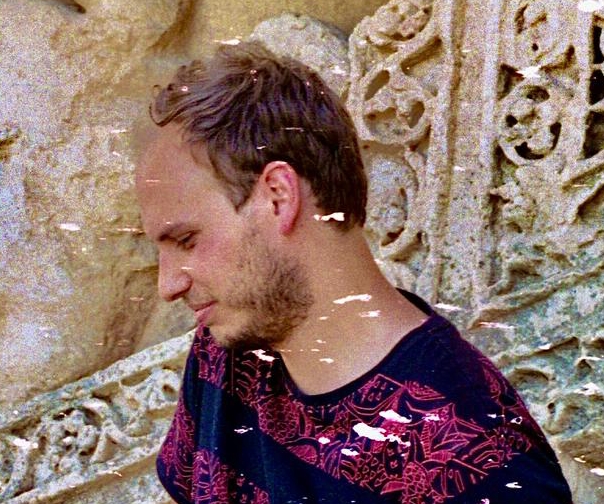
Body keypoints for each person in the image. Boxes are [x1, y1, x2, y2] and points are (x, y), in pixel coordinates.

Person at [135, 41, 573, 503]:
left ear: (279, 196)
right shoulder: (226, 354)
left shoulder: (475, 455)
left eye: (186, 240)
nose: (169, 285)